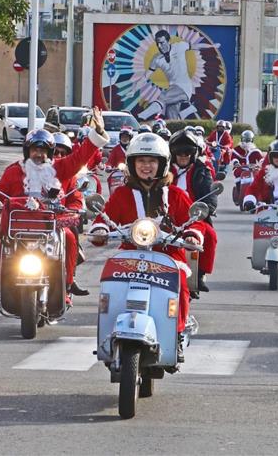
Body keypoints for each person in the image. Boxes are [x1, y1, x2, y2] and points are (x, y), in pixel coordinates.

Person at [88, 133, 207, 362]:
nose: (146, 166)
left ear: (162, 164)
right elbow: (105, 218)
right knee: (110, 286)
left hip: (168, 255)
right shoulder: (121, 194)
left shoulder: (175, 194)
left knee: (181, 283)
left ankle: (178, 333)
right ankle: (109, 333)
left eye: (152, 161)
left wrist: (192, 234)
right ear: (132, 164)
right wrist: (100, 229)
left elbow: (195, 220)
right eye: (141, 161)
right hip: (129, 255)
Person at [0, 110, 110, 296]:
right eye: (35, 150)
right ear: (27, 151)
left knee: (70, 236)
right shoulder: (13, 171)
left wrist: (96, 133)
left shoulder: (61, 167)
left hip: (53, 224)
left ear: (49, 153)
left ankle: (68, 281)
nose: (38, 154)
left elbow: (80, 157)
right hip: (20, 225)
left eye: (43, 151)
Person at [168, 129, 218, 296]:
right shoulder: (162, 169)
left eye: (188, 152)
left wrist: (204, 210)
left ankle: (199, 275)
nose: (183, 156)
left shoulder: (202, 170)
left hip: (194, 216)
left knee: (210, 235)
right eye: (179, 152)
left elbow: (210, 197)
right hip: (166, 215)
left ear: (194, 153)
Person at [137, 30, 199, 120]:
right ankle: (187, 112)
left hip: (184, 87)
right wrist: (134, 89)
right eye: (157, 43)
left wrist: (212, 46)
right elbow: (146, 76)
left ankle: (141, 117)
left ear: (168, 41)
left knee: (163, 97)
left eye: (162, 43)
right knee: (171, 120)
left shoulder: (179, 46)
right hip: (173, 89)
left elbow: (196, 46)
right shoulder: (156, 59)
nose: (159, 46)